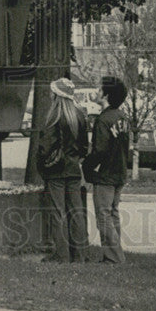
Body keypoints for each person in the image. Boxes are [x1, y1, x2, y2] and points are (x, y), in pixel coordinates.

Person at [38, 77, 90, 262]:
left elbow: (45, 148)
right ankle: (80, 255)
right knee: (76, 212)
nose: (50, 94)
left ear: (57, 95)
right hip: (74, 170)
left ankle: (62, 255)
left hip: (56, 172)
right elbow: (84, 147)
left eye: (52, 92)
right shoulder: (79, 116)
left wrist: (42, 166)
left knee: (57, 213)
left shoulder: (54, 117)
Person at [85, 75, 129, 264]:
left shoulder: (103, 120)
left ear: (106, 94)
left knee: (103, 216)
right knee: (113, 214)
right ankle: (112, 254)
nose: (96, 91)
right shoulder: (122, 117)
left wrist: (87, 166)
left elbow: (100, 150)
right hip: (120, 172)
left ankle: (114, 257)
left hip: (105, 174)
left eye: (99, 88)